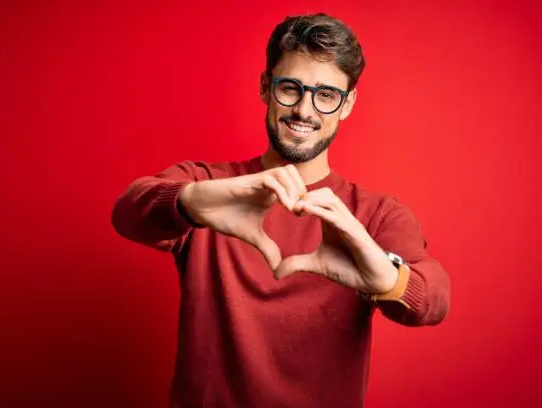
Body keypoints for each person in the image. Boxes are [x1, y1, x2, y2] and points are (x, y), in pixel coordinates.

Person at [112, 12, 450, 408]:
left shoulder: (376, 215)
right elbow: (129, 213)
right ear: (264, 87)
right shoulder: (211, 185)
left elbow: (432, 300)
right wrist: (195, 201)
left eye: (326, 95)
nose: (305, 111)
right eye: (290, 88)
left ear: (347, 104)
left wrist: (382, 275)